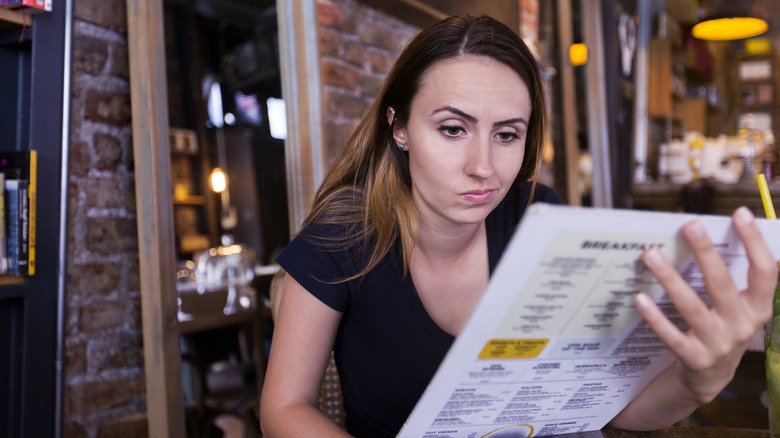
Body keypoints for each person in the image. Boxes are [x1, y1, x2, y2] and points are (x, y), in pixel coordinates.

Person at [260, 14, 778, 438]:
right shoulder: (343, 232)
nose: (483, 166)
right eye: (452, 129)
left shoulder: (540, 219)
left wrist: (698, 379)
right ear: (399, 128)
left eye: (506, 135)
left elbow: (617, 413)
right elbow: (284, 407)